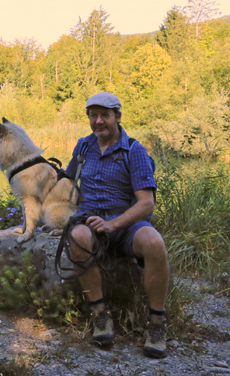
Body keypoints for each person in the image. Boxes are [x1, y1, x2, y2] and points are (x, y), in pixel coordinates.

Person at [64, 92, 169, 358]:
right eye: (93, 115)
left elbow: (146, 204)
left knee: (154, 242)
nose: (98, 121)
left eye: (105, 115)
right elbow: (65, 184)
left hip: (127, 223)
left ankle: (156, 324)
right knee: (77, 236)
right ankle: (100, 315)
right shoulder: (83, 146)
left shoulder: (134, 151)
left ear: (118, 116)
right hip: (90, 220)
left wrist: (113, 225)